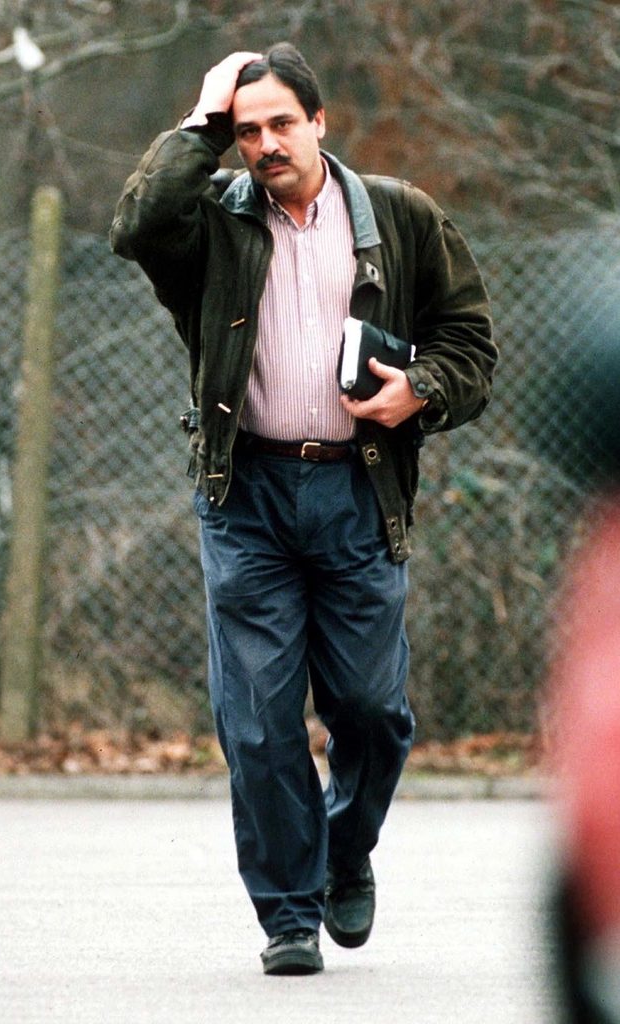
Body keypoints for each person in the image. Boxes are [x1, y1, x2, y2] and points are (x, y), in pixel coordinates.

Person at [110, 43, 496, 975]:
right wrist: (200, 123)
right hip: (243, 496)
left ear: (319, 122)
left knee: (371, 708)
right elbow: (137, 222)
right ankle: (287, 912)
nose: (266, 143)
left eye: (282, 123)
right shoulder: (210, 227)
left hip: (358, 490)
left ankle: (344, 849)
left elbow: (471, 345)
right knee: (257, 719)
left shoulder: (401, 217)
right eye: (246, 132)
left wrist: (419, 392)